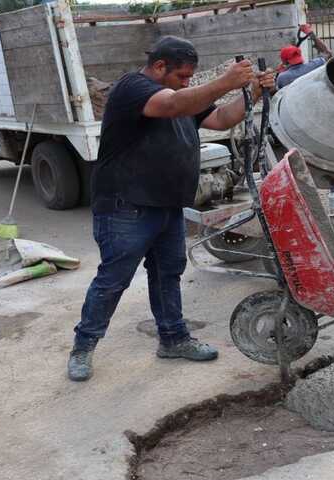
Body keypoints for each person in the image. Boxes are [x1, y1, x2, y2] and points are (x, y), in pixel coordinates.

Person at [67, 36, 276, 382]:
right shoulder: (133, 88)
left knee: (168, 275)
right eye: (182, 75)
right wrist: (226, 80)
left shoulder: (184, 98)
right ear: (159, 66)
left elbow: (223, 118)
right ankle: (83, 347)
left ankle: (174, 338)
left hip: (167, 204)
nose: (187, 82)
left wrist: (252, 91)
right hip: (126, 206)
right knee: (113, 280)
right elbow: (173, 105)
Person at [276, 24, 332, 90]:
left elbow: (276, 92)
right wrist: (312, 34)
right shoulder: (316, 64)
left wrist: (279, 74)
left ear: (284, 61)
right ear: (300, 55)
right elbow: (328, 54)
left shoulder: (282, 77)